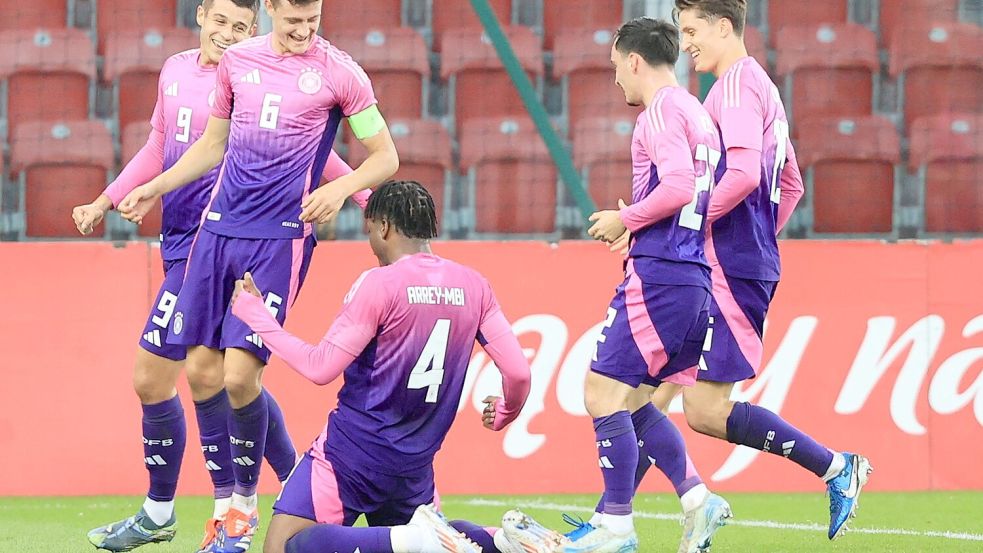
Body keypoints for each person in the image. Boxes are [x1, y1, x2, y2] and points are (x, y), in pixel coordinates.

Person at [73, 2, 359, 551]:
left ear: (255, 30)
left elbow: (314, 153)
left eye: (241, 27)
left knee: (208, 376)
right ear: (201, 15)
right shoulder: (176, 70)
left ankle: (230, 508)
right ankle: (277, 488)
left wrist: (379, 201)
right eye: (220, 21)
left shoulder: (263, 75)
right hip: (181, 240)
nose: (227, 35)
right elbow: (159, 147)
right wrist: (107, 198)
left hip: (225, 244)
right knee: (197, 378)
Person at [231, 180, 558, 553]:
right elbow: (518, 373)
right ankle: (499, 541)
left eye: (370, 230)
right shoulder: (474, 285)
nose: (371, 242)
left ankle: (419, 537)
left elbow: (320, 367)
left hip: (352, 455)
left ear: (383, 227)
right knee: (409, 543)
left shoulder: (379, 284)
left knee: (283, 546)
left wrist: (258, 318)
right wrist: (505, 411)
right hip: (415, 465)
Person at [648, 0, 871, 542]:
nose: (687, 43)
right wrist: (757, 239)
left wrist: (697, 224)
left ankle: (838, 468)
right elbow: (789, 183)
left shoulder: (733, 89)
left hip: (725, 267)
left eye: (693, 30)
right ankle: (613, 515)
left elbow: (746, 174)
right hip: (737, 261)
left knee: (695, 406)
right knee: (655, 393)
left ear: (724, 27)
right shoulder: (761, 87)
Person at [560, 17, 727, 553]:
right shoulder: (698, 114)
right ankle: (699, 501)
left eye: (615, 67)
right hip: (693, 276)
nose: (615, 80)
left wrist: (628, 219)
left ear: (634, 60)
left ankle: (616, 525)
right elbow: (699, 192)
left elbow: (677, 184)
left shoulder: (657, 112)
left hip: (660, 277)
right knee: (635, 402)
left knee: (600, 392)